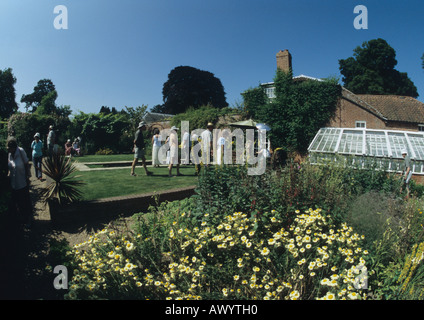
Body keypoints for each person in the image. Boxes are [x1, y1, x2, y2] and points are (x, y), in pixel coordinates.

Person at [6, 136, 33, 228]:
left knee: (24, 202)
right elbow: (10, 166)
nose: (8, 149)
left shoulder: (20, 151)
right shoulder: (10, 154)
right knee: (15, 203)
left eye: (9, 148)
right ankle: (19, 221)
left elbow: (27, 164)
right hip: (13, 183)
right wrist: (9, 174)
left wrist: (28, 177)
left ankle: (28, 220)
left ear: (13, 147)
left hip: (22, 182)